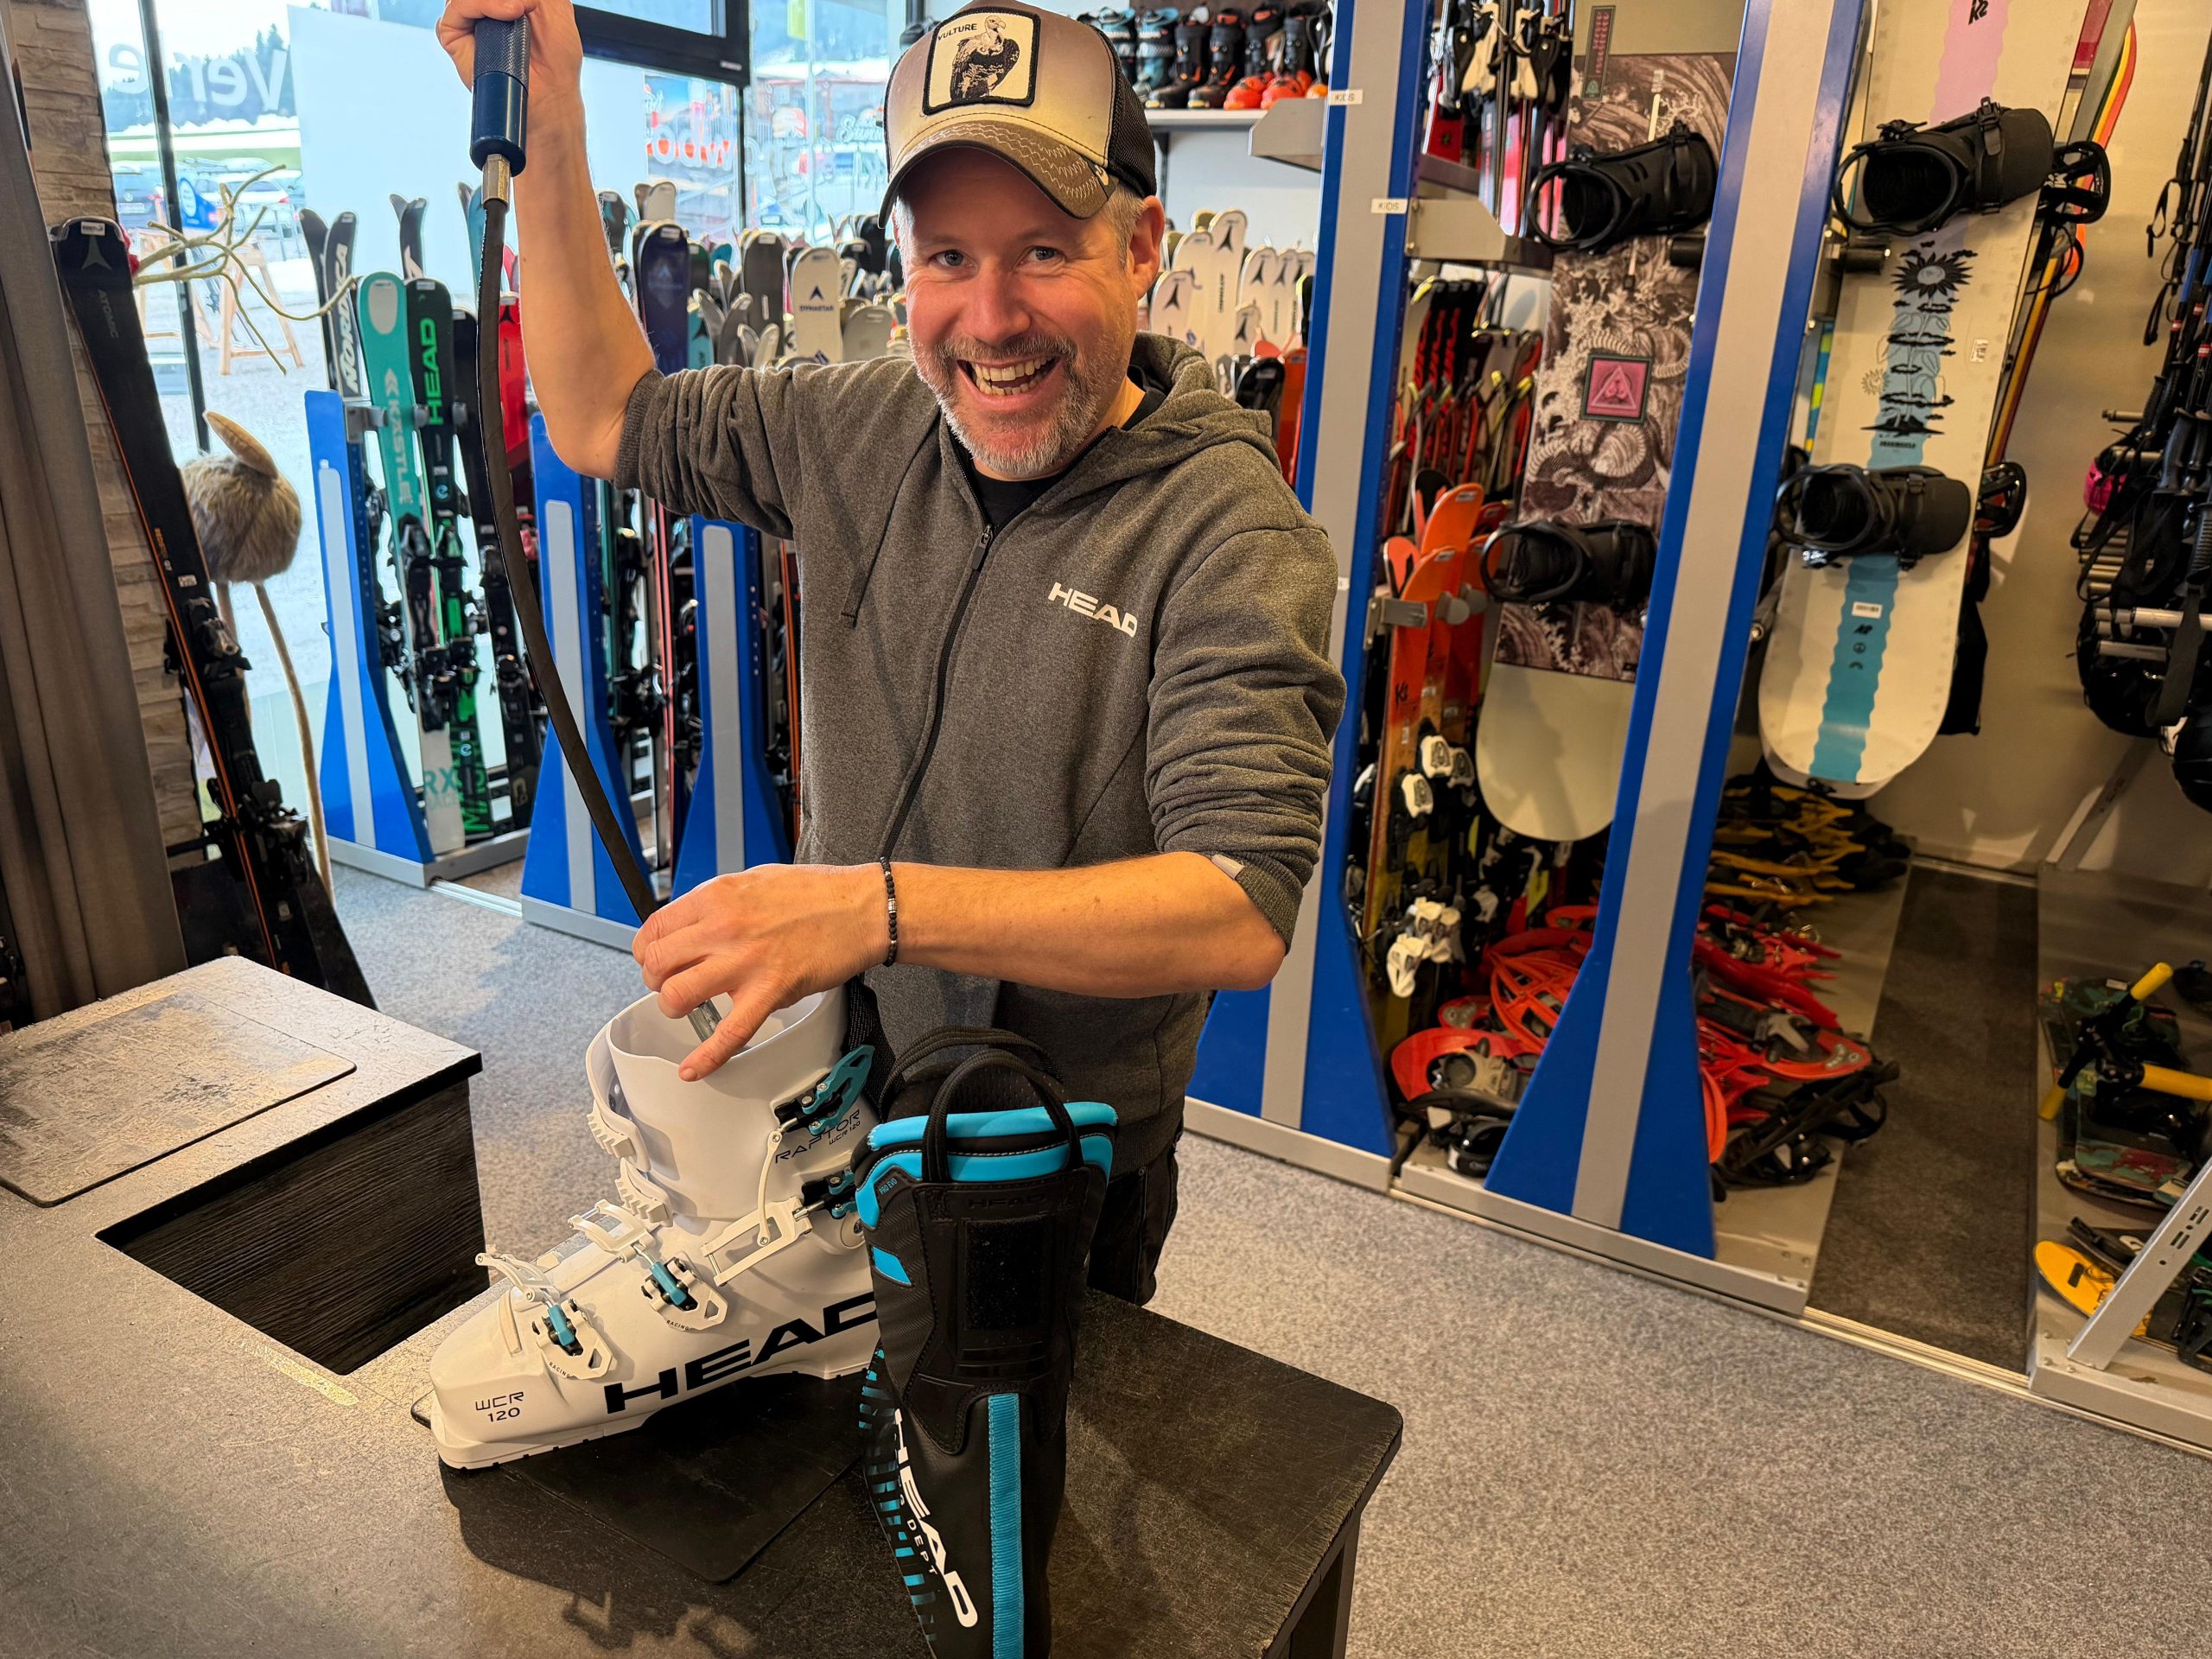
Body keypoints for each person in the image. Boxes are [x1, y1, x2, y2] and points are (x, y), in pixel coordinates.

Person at [435, 0, 1344, 1304]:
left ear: (1141, 246)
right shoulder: (860, 430)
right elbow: (603, 419)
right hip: (837, 1091)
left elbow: (1238, 904)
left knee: (1020, 1440)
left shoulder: (1229, 532)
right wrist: (556, 123)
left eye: (1044, 251)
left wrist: (872, 910)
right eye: (947, 258)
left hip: (1050, 1157)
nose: (991, 318)